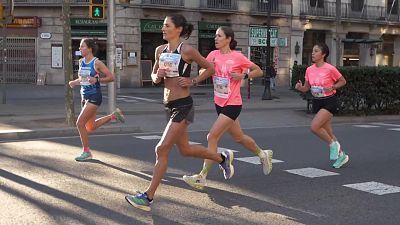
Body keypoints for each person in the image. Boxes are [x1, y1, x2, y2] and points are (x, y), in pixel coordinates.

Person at [125, 14, 234, 211]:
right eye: (163, 25)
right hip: (168, 104)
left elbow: (210, 68)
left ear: (178, 29)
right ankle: (222, 158)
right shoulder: (160, 50)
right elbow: (155, 79)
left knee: (161, 149)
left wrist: (193, 81)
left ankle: (148, 197)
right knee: (185, 150)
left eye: (167, 25)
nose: (163, 29)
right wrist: (156, 75)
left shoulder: (187, 50)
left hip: (184, 105)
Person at [182, 26, 273, 190]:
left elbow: (258, 71)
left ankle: (202, 176)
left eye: (219, 36)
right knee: (239, 137)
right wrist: (201, 74)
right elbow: (207, 70)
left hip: (233, 103)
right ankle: (262, 154)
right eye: (215, 36)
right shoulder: (213, 55)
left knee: (212, 137)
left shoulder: (237, 56)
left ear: (228, 39)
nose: (215, 39)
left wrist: (244, 75)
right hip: (219, 103)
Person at [69, 38, 125, 162]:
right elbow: (83, 78)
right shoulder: (81, 62)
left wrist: (97, 80)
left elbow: (111, 77)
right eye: (80, 46)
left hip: (94, 96)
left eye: (82, 46)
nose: (80, 48)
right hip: (84, 96)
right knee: (91, 127)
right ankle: (113, 116)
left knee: (79, 123)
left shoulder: (97, 63)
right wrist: (74, 82)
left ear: (89, 49)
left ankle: (86, 151)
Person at [295, 43, 349, 168]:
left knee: (314, 127)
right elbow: (306, 88)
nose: (313, 53)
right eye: (313, 51)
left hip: (329, 101)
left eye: (316, 51)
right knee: (328, 132)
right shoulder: (309, 69)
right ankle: (342, 156)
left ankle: (332, 145)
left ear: (323, 54)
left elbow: (343, 81)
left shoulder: (330, 68)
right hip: (317, 101)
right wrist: (299, 88)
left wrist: (333, 86)